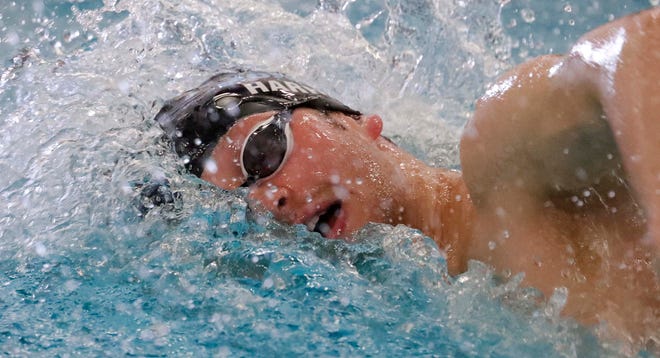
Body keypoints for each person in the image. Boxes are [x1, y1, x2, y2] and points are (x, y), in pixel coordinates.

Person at [155, 8, 659, 349]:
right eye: (245, 204)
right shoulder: (426, 314)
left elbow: (637, 44)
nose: (271, 200)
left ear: (349, 118)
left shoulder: (503, 162)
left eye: (264, 152)